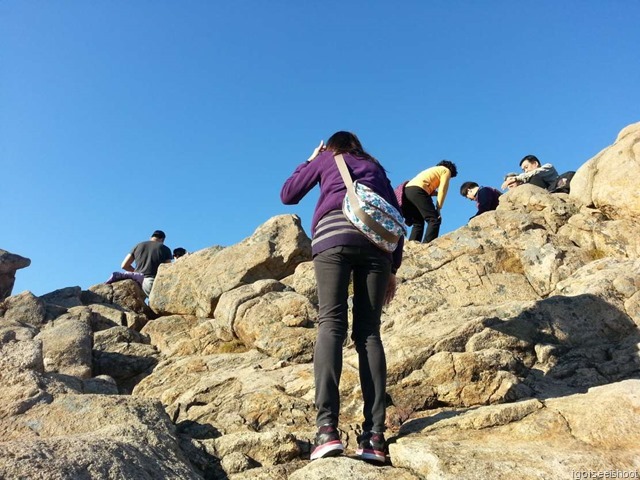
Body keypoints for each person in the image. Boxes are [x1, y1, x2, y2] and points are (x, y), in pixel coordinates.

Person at [281, 131, 403, 464]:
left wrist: (309, 159)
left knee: (331, 326)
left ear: (331, 146)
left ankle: (326, 432)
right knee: (369, 333)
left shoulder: (325, 159)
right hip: (377, 245)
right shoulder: (376, 167)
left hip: (333, 236)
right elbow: (394, 213)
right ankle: (374, 438)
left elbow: (288, 194)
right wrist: (393, 265)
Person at [402, 160, 458, 243]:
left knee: (418, 222)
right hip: (418, 190)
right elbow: (443, 189)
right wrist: (438, 208)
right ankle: (427, 245)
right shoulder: (446, 170)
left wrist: (436, 193)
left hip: (407, 191)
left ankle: (412, 246)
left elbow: (426, 186)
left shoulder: (432, 170)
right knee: (434, 219)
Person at [117, 230, 172, 296]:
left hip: (136, 281)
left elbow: (124, 265)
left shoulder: (138, 245)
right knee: (154, 304)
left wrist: (137, 273)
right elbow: (167, 269)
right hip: (151, 281)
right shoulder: (165, 249)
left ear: (151, 237)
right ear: (162, 239)